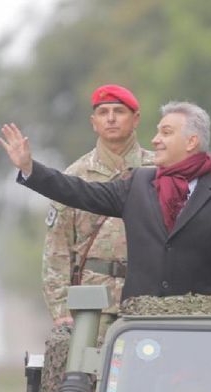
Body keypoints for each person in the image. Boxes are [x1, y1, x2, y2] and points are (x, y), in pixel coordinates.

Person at [0, 101, 211, 300]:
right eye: (157, 132)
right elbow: (79, 191)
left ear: (191, 141)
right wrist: (29, 168)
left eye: (165, 132)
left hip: (201, 330)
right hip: (142, 328)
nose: (155, 140)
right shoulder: (138, 184)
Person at [42, 84, 153, 326]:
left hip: (150, 298)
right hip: (92, 303)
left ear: (136, 119)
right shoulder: (74, 177)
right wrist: (61, 310)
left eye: (119, 111)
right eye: (103, 113)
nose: (111, 119)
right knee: (89, 364)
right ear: (94, 122)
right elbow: (57, 250)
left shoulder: (159, 171)